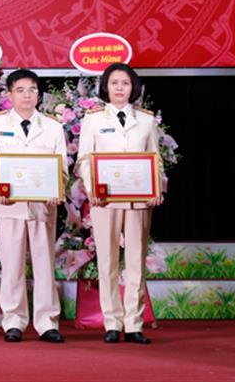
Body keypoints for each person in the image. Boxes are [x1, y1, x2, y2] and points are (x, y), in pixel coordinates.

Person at [77, 63, 164, 344]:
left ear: (134, 88)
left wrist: (156, 187)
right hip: (105, 201)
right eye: (114, 83)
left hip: (139, 200)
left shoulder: (147, 121)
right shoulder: (92, 119)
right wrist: (93, 190)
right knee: (108, 261)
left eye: (125, 83)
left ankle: (134, 323)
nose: (119, 88)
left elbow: (155, 158)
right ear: (105, 87)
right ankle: (112, 322)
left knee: (136, 261)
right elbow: (85, 159)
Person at [0, 69, 67, 344]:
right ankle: (14, 321)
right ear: (10, 95)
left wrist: (57, 189)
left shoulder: (53, 126)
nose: (27, 95)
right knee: (12, 265)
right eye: (21, 90)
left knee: (44, 264)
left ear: (38, 95)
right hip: (9, 205)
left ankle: (47, 322)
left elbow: (61, 168)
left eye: (32, 90)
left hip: (43, 206)